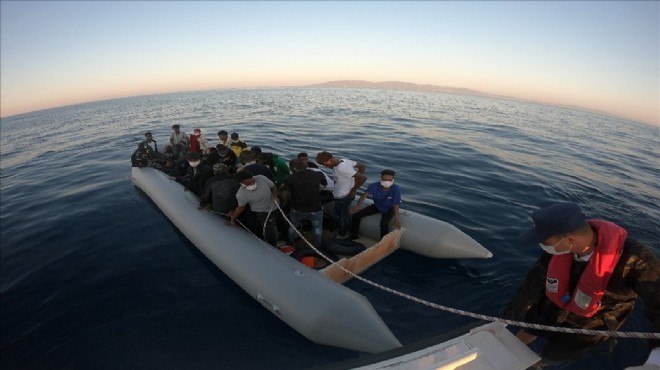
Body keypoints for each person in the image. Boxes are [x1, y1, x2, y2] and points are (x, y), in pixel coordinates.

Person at [501, 202, 659, 367]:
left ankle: (536, 364)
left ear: (569, 239)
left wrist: (656, 360)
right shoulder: (559, 248)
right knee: (531, 326)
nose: (542, 246)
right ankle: (508, 351)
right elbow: (533, 283)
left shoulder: (637, 260)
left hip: (592, 322)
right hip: (553, 303)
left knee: (553, 355)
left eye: (545, 242)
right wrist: (505, 319)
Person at [315, 151, 367, 239]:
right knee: (342, 214)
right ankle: (345, 231)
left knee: (341, 216)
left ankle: (342, 235)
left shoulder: (341, 169)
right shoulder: (343, 160)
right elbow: (362, 166)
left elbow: (363, 178)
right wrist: (354, 182)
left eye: (325, 165)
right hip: (340, 194)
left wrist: (353, 189)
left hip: (343, 196)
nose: (325, 167)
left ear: (330, 160)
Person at [282, 159, 327, 248]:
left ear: (293, 168)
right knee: (317, 230)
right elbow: (324, 184)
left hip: (297, 208)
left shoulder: (289, 178)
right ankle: (318, 247)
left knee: (293, 227)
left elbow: (284, 195)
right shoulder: (318, 174)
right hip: (315, 208)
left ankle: (290, 243)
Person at [229, 170, 280, 247]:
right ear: (241, 183)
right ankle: (273, 246)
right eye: (248, 183)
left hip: (275, 207)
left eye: (253, 181)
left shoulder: (261, 178)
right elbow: (240, 208)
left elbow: (273, 186)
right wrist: (233, 220)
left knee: (280, 223)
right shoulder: (241, 194)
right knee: (270, 231)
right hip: (262, 212)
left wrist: (275, 196)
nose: (253, 184)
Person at [349, 169, 401, 240]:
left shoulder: (396, 189)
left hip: (389, 208)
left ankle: (383, 242)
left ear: (393, 180)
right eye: (385, 179)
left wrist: (396, 219)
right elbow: (364, 195)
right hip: (377, 206)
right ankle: (353, 235)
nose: (387, 181)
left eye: (389, 180)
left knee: (383, 224)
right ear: (380, 179)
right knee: (356, 216)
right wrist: (357, 206)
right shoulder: (373, 186)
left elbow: (396, 203)